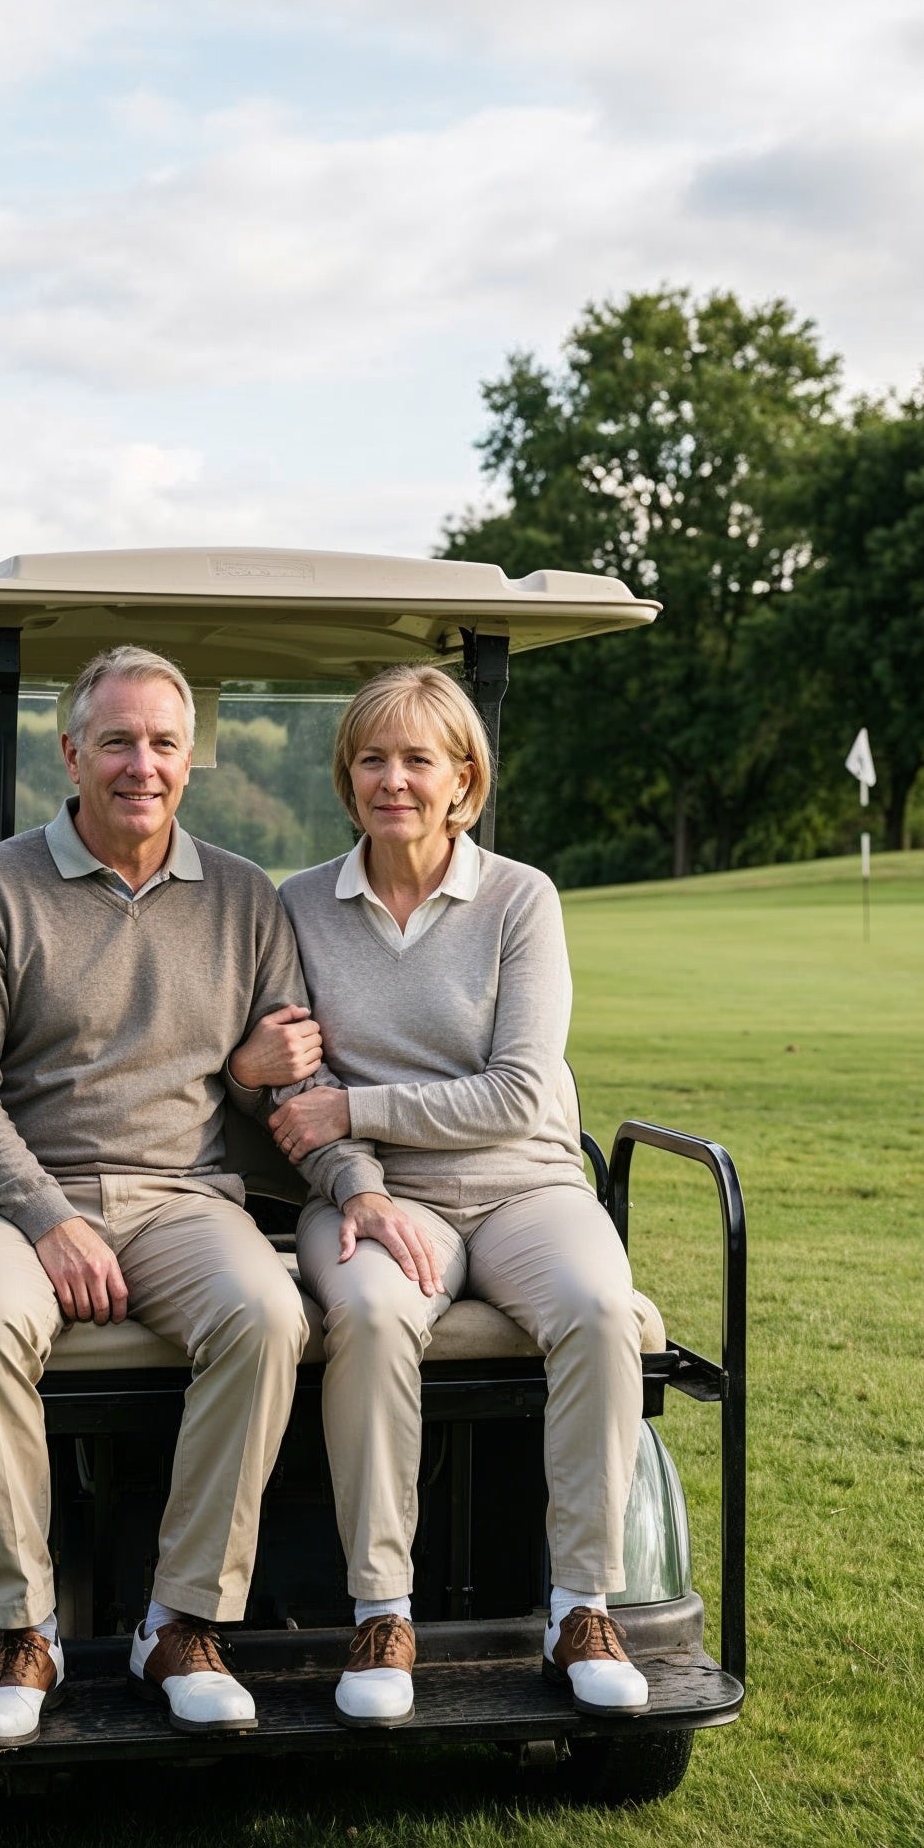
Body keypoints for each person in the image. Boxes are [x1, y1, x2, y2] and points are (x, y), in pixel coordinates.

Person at [0, 644, 378, 1747]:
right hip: (18, 1198)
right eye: (116, 740)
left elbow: (293, 1079)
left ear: (189, 759)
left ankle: (180, 1621)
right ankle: (19, 1627)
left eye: (163, 742)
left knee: (266, 1313)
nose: (141, 763)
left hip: (183, 1196)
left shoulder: (241, 897)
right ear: (70, 752)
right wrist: (48, 1217)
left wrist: (356, 1184)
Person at [268, 665, 649, 1729]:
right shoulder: (297, 903)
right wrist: (349, 1151)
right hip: (375, 1197)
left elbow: (517, 1092)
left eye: (416, 760)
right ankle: (380, 1609)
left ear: (462, 782)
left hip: (526, 1181)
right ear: (347, 778)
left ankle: (581, 1605)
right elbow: (296, 1099)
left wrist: (356, 1108)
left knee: (600, 1309)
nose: (391, 779)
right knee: (374, 1311)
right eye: (370, 759)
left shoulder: (519, 897)